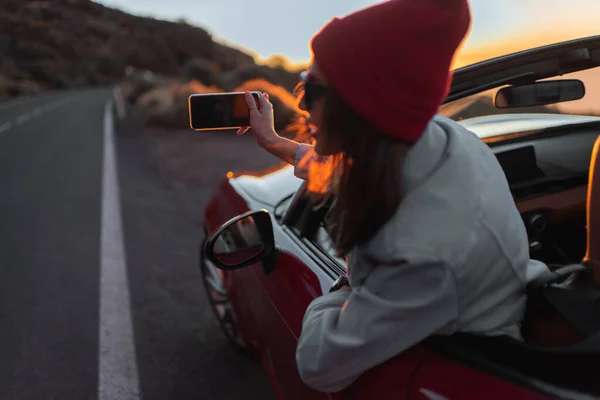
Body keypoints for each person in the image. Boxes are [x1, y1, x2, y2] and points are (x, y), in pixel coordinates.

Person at [238, 0, 550, 393]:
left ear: (361, 105)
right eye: (304, 80)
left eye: (314, 89)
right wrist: (276, 143)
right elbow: (347, 167)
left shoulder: (422, 256)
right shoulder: (440, 139)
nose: (300, 103)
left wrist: (345, 289)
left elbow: (318, 364)